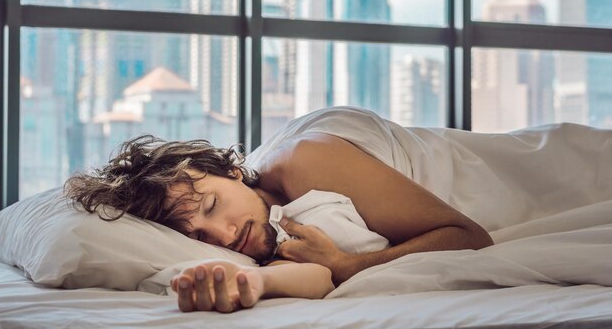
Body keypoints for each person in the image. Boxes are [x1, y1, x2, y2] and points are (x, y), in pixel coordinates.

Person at [66, 106, 495, 313]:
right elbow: (308, 274)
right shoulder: (267, 229)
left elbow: (469, 236)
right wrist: (252, 282)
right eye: (196, 236)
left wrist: (350, 265)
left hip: (503, 176)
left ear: (234, 170)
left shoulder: (305, 162)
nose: (222, 235)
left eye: (212, 205)